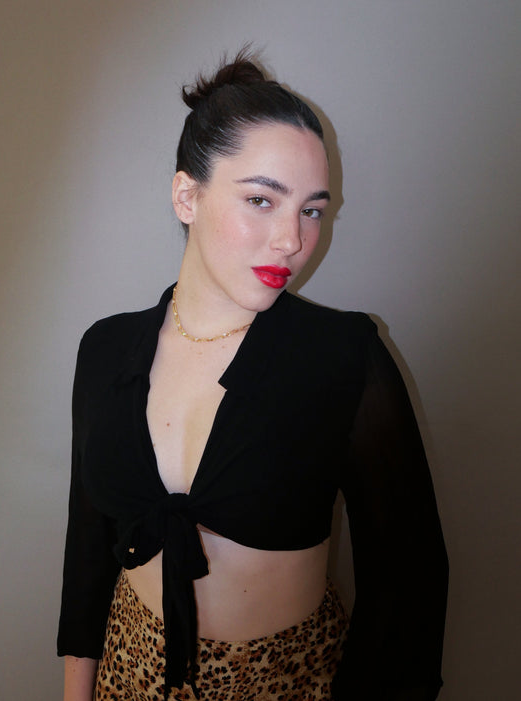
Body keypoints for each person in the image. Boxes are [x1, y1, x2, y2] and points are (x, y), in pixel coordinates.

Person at [57, 50, 448, 701]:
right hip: (129, 670)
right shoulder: (106, 350)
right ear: (187, 195)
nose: (292, 239)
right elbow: (88, 547)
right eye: (262, 200)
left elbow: (407, 579)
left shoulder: (343, 356)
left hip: (289, 682)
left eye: (312, 210)